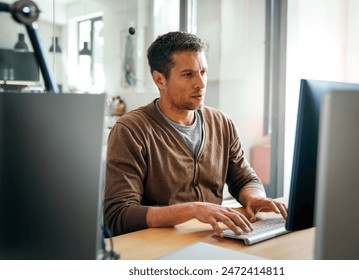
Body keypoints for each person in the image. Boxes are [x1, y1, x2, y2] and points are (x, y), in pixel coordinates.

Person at [104, 31, 287, 237]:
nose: (201, 83)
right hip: (158, 248)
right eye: (188, 74)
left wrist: (254, 197)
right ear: (159, 79)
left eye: (203, 72)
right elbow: (119, 215)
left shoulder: (221, 123)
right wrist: (193, 209)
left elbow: (244, 179)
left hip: (214, 238)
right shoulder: (130, 130)